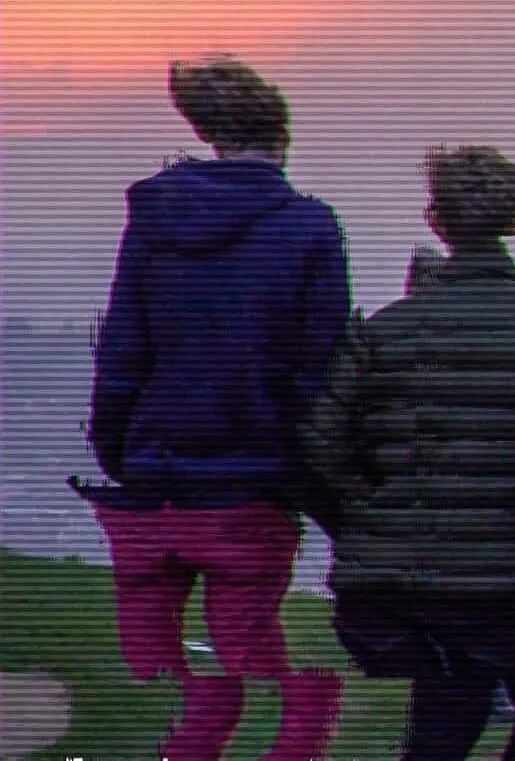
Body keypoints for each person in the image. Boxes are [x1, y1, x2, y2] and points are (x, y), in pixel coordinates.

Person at [299, 145, 515, 761]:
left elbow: (322, 438)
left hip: (384, 573)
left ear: (435, 219)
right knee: (480, 703)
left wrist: (368, 504)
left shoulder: (383, 330)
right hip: (494, 568)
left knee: (446, 709)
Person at [76, 54, 350, 761]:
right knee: (250, 652)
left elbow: (124, 344)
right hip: (251, 476)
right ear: (282, 137)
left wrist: (118, 447)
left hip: (153, 470)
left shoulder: (154, 219)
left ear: (208, 134)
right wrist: (317, 476)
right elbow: (318, 368)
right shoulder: (310, 227)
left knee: (159, 674)